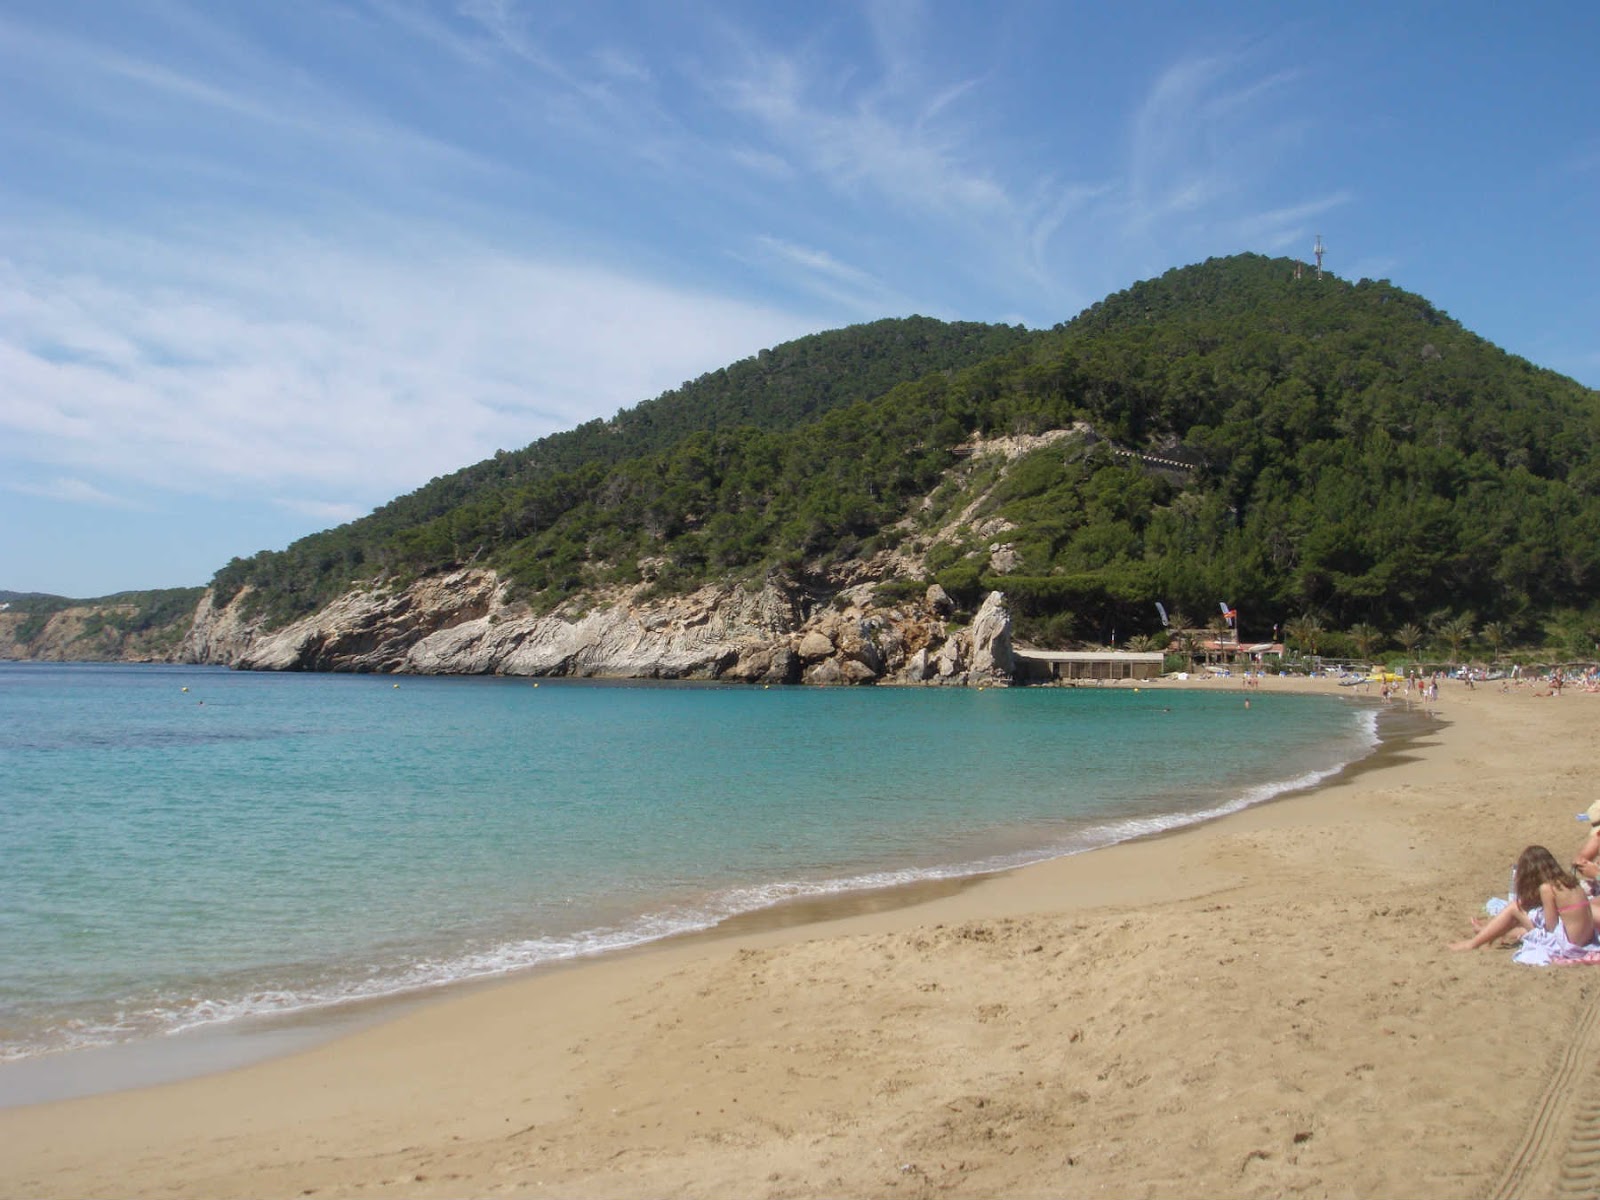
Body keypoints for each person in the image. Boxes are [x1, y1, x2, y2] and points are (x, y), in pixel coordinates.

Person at [1451, 845, 1599, 963]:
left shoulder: (1547, 888)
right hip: (1586, 941)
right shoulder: (1571, 882)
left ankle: (1473, 943)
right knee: (1526, 916)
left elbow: (1550, 927)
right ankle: (1489, 935)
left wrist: (1527, 919)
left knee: (1515, 908)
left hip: (1568, 946)